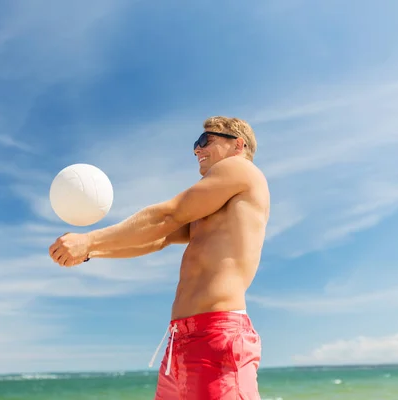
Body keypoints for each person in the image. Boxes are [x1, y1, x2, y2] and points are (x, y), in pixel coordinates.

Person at [49, 116, 270, 399]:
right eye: (195, 144)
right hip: (181, 340)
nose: (196, 150)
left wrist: (88, 240)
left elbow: (169, 214)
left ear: (238, 145)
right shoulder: (215, 204)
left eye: (205, 141)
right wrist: (91, 251)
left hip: (216, 337)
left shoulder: (241, 169)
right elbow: (160, 237)